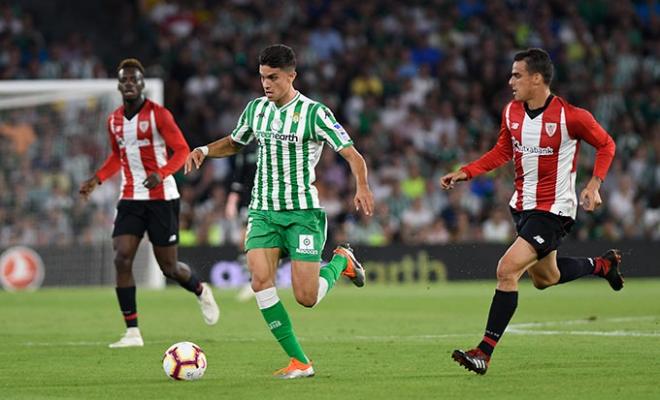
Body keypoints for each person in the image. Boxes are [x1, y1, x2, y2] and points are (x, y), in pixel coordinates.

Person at [185, 44, 374, 379]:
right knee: (260, 281)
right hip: (263, 212)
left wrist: (362, 186)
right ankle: (300, 362)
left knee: (307, 297)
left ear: (291, 76)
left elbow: (352, 154)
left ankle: (342, 260)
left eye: (273, 77)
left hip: (302, 213)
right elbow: (234, 141)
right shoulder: (256, 110)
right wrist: (203, 150)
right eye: (262, 77)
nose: (266, 84)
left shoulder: (315, 113)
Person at [440, 48, 623, 375]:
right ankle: (602, 265)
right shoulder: (512, 111)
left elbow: (606, 145)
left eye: (517, 75)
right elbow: (502, 151)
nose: (511, 81)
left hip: (554, 210)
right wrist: (466, 171)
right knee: (545, 278)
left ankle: (484, 351)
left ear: (537, 78)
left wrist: (594, 184)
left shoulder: (571, 116)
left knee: (507, 270)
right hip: (522, 207)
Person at [79, 58, 220, 348]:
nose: (129, 84)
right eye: (124, 80)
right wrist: (97, 178)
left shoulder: (160, 115)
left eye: (134, 79)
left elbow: (181, 150)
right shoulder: (114, 120)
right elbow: (117, 156)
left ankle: (200, 289)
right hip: (131, 197)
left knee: (168, 267)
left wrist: (162, 173)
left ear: (143, 84)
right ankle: (132, 332)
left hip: (162, 198)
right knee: (122, 257)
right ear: (119, 85)